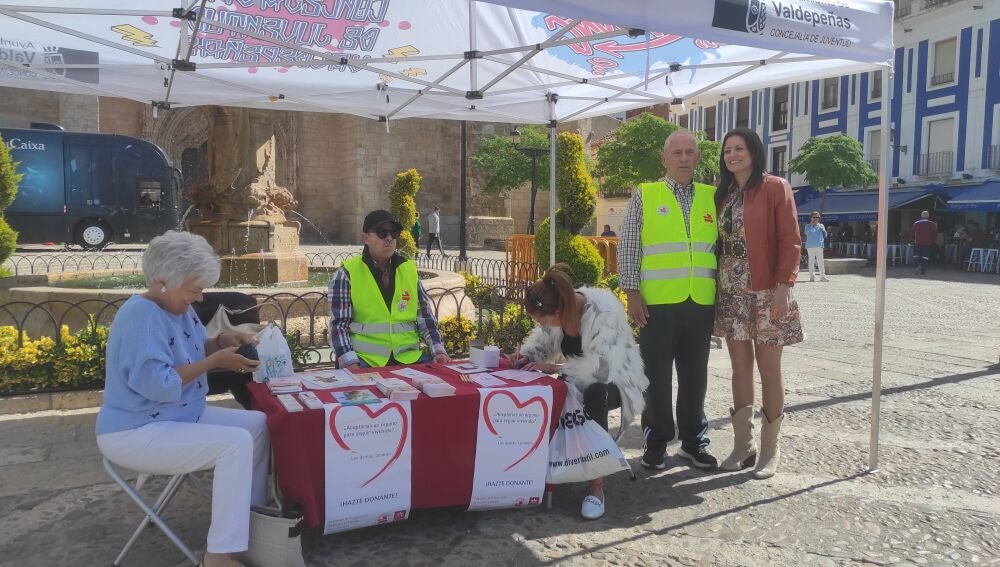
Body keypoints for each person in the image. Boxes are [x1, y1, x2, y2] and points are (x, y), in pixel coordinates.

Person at [95, 231, 269, 567]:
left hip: (176, 416)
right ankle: (218, 556)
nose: (201, 297)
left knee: (258, 424)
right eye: (195, 289)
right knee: (234, 443)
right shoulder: (140, 317)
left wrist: (220, 341)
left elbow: (190, 350)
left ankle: (251, 519)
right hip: (134, 430)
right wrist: (215, 363)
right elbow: (157, 384)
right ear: (162, 282)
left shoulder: (177, 306)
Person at [508, 264, 647, 520]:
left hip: (616, 380)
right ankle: (536, 466)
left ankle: (596, 486)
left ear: (558, 312)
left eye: (542, 320)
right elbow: (542, 343)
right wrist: (523, 358)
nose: (541, 324)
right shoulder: (557, 307)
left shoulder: (602, 311)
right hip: (573, 376)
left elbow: (601, 370)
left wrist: (553, 368)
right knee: (537, 384)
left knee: (594, 393)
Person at [617, 129, 719, 471]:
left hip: (699, 302)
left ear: (698, 157)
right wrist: (631, 293)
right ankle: (657, 441)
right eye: (677, 153)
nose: (684, 158)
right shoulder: (645, 195)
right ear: (665, 159)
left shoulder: (711, 197)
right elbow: (629, 245)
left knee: (695, 376)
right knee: (657, 376)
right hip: (656, 304)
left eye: (690, 152)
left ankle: (693, 442)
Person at [714, 128, 803, 479]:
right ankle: (742, 444)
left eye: (739, 148)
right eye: (727, 150)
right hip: (731, 289)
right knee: (739, 368)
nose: (732, 154)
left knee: (770, 370)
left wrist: (784, 286)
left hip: (767, 289)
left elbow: (790, 239)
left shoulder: (775, 187)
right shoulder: (723, 194)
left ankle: (769, 449)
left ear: (754, 151)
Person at [330, 209, 451, 369]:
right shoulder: (346, 274)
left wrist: (438, 351)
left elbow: (425, 317)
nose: (389, 238)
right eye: (382, 232)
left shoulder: (408, 270)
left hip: (409, 358)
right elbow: (339, 326)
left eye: (394, 233)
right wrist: (349, 362)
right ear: (365, 237)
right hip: (364, 361)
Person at [909, 210, 938, 276]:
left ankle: (917, 266)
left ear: (921, 216)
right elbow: (935, 235)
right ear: (928, 216)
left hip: (918, 243)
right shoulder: (932, 224)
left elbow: (912, 233)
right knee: (925, 257)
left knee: (916, 256)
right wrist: (932, 241)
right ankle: (923, 272)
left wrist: (912, 241)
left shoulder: (916, 223)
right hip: (927, 244)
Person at [804, 213, 829, 282]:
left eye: (817, 217)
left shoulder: (821, 225)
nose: (815, 218)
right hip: (810, 246)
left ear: (819, 218)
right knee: (811, 261)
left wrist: (823, 230)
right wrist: (812, 225)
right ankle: (812, 277)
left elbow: (825, 235)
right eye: (814, 217)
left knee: (820, 262)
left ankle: (822, 277)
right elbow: (806, 233)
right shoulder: (807, 226)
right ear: (811, 218)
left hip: (819, 245)